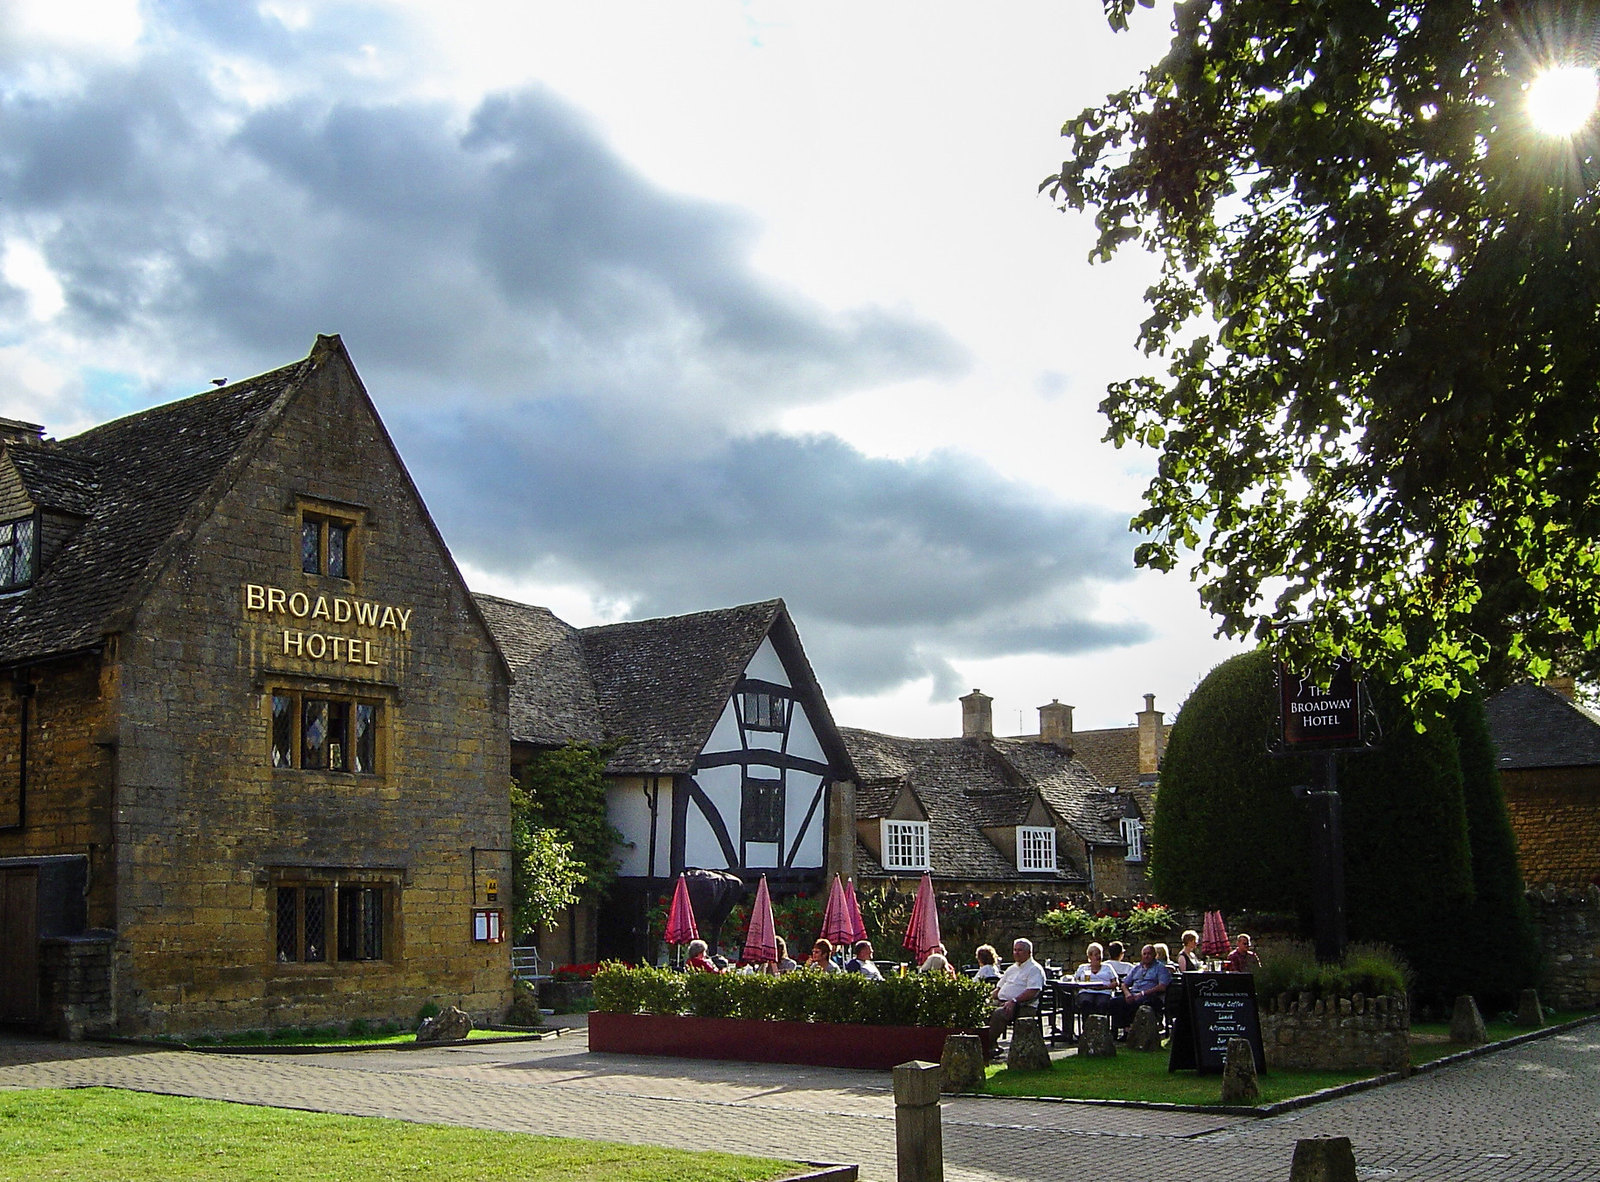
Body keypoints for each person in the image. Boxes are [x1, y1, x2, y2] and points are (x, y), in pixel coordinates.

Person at [981, 938, 1047, 1058]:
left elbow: (1033, 991)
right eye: (1015, 950)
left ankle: (986, 1047)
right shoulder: (1011, 969)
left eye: (1020, 950)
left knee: (999, 1014)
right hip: (1002, 1001)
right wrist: (985, 999)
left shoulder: (1034, 969)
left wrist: (1014, 1001)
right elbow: (998, 988)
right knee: (981, 1011)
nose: (1016, 953)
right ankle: (989, 1045)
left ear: (1029, 952)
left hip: (1023, 1006)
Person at [1110, 943, 1172, 1031]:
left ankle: (1132, 1031)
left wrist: (1142, 993)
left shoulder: (1160, 968)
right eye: (1144, 954)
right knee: (1115, 1002)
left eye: (1149, 954)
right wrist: (1127, 994)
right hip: (1133, 994)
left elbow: (1162, 986)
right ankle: (1123, 1029)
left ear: (1154, 955)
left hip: (1150, 996)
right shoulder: (1137, 968)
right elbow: (1124, 984)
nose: (1146, 956)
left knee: (1136, 1003)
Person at [1071, 941, 1119, 1028]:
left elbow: (1116, 982)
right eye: (1096, 954)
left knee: (1102, 1003)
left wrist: (1105, 986)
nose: (1099, 957)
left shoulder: (1107, 967)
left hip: (1104, 991)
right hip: (1086, 990)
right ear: (1089, 956)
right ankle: (1087, 1028)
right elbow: (1075, 980)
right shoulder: (1083, 968)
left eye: (1100, 954)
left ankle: (1101, 1028)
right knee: (1086, 1002)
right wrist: (1082, 985)